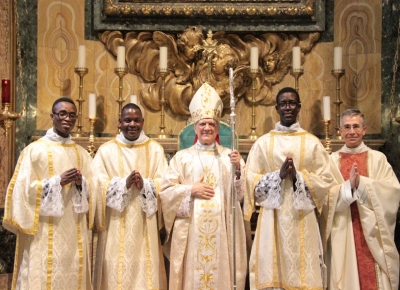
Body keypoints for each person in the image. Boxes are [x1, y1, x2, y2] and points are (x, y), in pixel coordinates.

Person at [244, 87, 334, 289]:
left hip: (302, 218)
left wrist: (298, 178)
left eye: (292, 103)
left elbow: (326, 179)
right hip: (271, 218)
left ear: (299, 107)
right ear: (276, 108)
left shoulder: (312, 143)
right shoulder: (263, 143)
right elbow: (251, 181)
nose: (287, 107)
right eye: (283, 103)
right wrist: (279, 176)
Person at [160, 83, 247, 290]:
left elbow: (241, 196)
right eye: (202, 124)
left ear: (217, 128)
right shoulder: (182, 158)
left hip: (223, 234)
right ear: (195, 127)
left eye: (211, 124)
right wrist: (190, 190)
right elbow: (165, 192)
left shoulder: (230, 157)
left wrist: (237, 171)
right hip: (191, 235)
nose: (207, 128)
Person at [3, 97, 94, 289]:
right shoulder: (34, 150)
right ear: (52, 116)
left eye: (72, 115)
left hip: (74, 233)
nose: (67, 119)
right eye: (62, 114)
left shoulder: (82, 154)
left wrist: (80, 183)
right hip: (42, 235)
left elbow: (93, 192)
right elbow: (21, 191)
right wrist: (56, 182)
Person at [92, 103, 168, 290]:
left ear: (142, 122)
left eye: (136, 120)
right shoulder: (106, 151)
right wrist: (123, 184)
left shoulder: (155, 149)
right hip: (114, 224)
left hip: (145, 225)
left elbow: (165, 185)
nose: (132, 124)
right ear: (119, 123)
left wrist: (146, 185)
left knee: (145, 268)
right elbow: (96, 184)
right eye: (127, 120)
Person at [323, 108, 400, 290]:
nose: (352, 131)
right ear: (340, 131)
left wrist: (363, 184)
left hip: (371, 232)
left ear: (364, 129)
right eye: (347, 127)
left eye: (356, 126)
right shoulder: (332, 161)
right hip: (343, 231)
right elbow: (325, 198)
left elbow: (392, 192)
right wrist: (348, 187)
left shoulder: (378, 159)